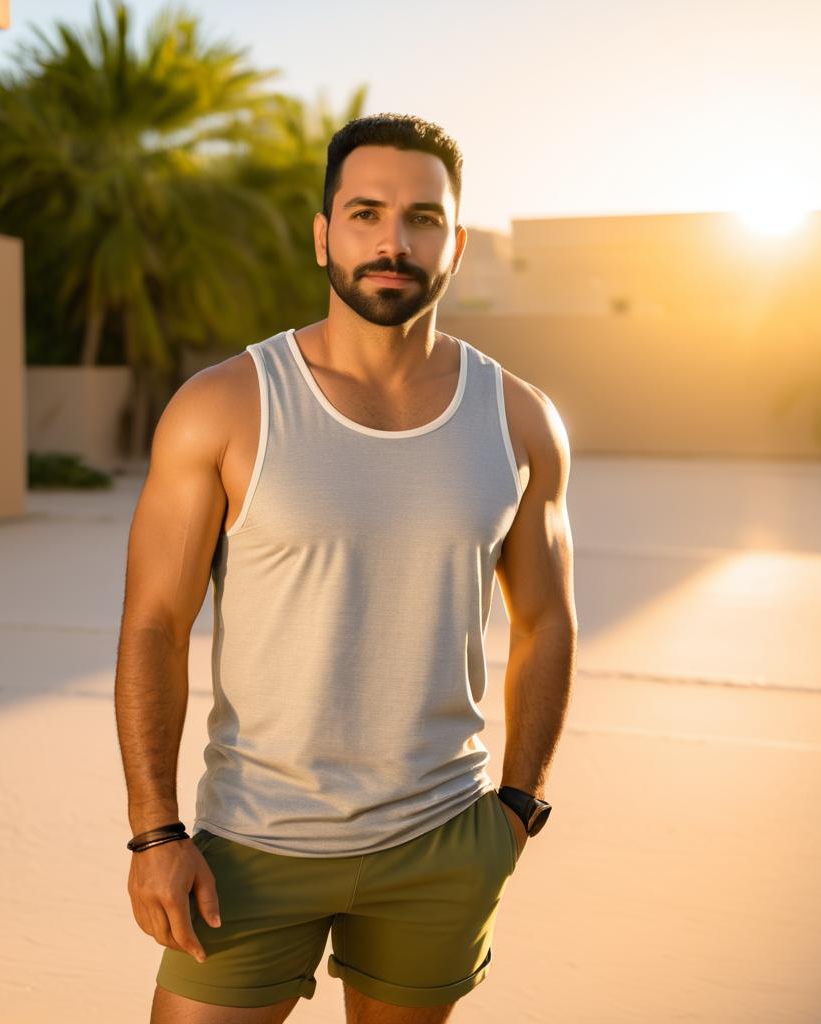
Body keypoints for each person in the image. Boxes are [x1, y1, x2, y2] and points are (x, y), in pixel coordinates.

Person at [115, 112, 577, 1024]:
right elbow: (154, 626)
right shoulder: (224, 406)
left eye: (423, 218)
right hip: (252, 846)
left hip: (442, 844)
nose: (393, 242)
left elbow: (547, 621)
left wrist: (519, 807)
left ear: (457, 240)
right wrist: (154, 833)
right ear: (323, 232)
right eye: (365, 212)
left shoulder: (520, 420)